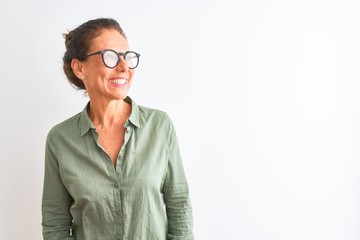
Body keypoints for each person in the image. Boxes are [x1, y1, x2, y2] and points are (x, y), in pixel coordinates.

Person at [41, 18, 193, 240]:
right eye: (110, 57)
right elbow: (56, 223)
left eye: (127, 57)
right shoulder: (60, 139)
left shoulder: (159, 126)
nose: (124, 67)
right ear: (79, 67)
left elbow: (179, 203)